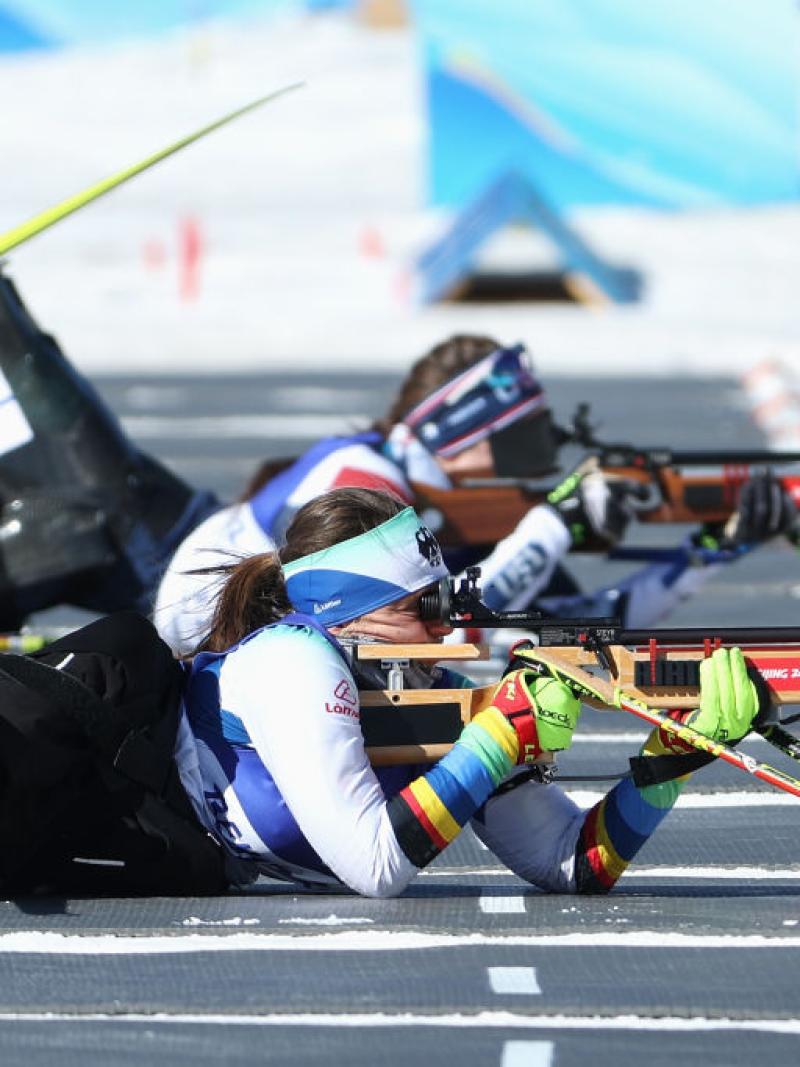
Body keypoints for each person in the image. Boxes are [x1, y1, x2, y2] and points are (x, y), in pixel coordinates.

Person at [0, 486, 770, 897]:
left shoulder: (425, 692)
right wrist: (497, 741)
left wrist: (670, 758)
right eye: (417, 606)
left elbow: (572, 863)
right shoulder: (295, 662)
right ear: (343, 613)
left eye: (439, 598)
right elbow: (375, 867)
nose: (442, 625)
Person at [0, 270, 794, 654]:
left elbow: (572, 631)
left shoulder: (453, 521)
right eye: (512, 445)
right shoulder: (359, 477)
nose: (523, 468)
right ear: (450, 430)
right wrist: (553, 527)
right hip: (172, 600)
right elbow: (435, 614)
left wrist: (707, 553)